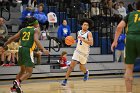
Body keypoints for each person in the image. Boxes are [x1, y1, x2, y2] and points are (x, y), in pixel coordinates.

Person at [4, 17, 49, 93]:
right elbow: (35, 39)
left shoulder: (22, 30)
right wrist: (43, 49)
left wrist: (5, 44)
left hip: (20, 49)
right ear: (34, 23)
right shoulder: (36, 30)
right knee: (29, 73)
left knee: (22, 71)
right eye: (37, 22)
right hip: (27, 50)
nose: (38, 24)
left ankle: (14, 88)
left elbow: (13, 38)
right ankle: (18, 82)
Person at [111, 1, 140, 92]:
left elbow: (119, 27)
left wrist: (115, 41)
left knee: (128, 69)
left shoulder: (130, 14)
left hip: (130, 39)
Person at [61, 18, 93, 86]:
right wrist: (73, 41)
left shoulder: (89, 33)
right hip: (77, 51)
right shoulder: (79, 32)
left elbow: (91, 43)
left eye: (87, 25)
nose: (85, 26)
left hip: (84, 53)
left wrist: (83, 39)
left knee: (81, 67)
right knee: (71, 66)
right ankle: (65, 80)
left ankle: (86, 72)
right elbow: (79, 40)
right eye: (84, 25)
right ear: (82, 25)